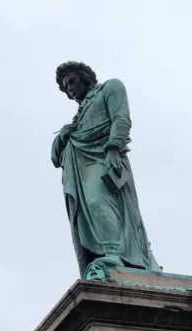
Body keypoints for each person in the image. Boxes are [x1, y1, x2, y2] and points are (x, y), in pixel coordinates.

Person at [51, 61, 157, 281]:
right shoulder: (76, 121)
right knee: (85, 213)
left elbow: (121, 118)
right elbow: (54, 157)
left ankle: (114, 253)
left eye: (72, 81)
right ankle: (108, 253)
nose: (69, 88)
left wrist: (112, 148)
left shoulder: (110, 88)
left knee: (96, 201)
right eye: (65, 87)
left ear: (85, 77)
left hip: (105, 158)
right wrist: (63, 135)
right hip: (81, 169)